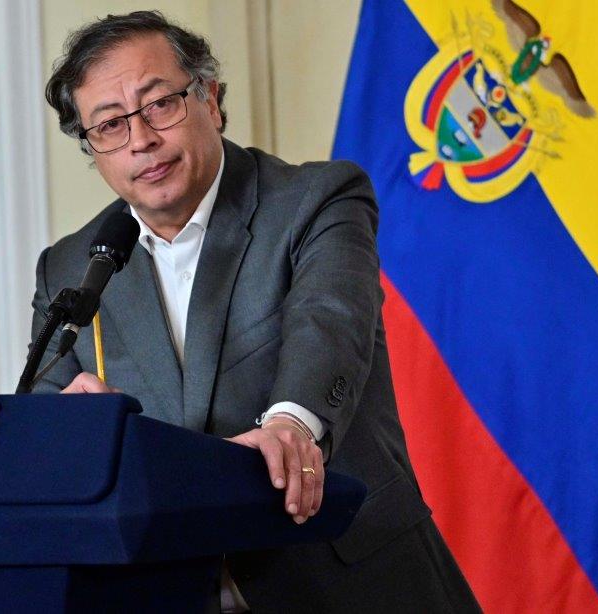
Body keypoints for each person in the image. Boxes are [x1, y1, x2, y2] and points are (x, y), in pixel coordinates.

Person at [31, 10, 480, 613]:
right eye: (110, 124)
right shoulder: (72, 267)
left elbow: (330, 325)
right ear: (93, 148)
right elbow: (44, 420)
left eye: (159, 104)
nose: (140, 140)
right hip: (168, 590)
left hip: (346, 580)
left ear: (210, 100)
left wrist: (292, 425)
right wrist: (77, 431)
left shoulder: (316, 200)